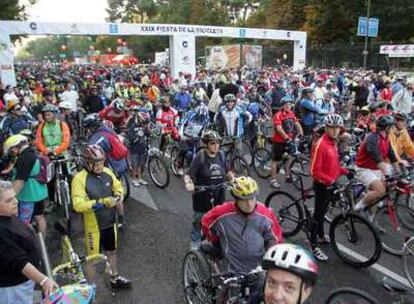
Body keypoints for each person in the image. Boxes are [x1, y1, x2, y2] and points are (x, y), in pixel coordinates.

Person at [201, 176, 283, 303]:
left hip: (258, 269)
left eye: (252, 198)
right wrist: (215, 242)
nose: (249, 203)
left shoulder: (266, 214)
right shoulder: (222, 212)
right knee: (224, 299)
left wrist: (273, 255)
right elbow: (206, 222)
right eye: (244, 200)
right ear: (236, 199)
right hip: (232, 269)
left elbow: (275, 238)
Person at [71, 144, 132, 289]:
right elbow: (77, 204)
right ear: (87, 163)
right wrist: (101, 203)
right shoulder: (79, 179)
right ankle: (91, 289)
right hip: (94, 227)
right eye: (96, 163)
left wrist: (118, 194)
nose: (99, 166)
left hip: (110, 222)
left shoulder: (107, 172)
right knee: (93, 259)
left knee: (112, 252)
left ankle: (114, 278)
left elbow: (118, 186)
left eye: (101, 162)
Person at [0, 180, 57, 303]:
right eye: (8, 200)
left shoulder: (8, 215)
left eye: (14, 197)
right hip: (13, 287)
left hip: (23, 282)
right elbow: (18, 261)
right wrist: (43, 280)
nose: (16, 202)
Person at [184, 130, 233, 249]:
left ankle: (215, 240)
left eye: (217, 143)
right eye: (212, 143)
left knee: (219, 218)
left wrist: (233, 180)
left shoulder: (221, 155)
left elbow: (228, 172)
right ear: (206, 144)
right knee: (199, 220)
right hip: (202, 194)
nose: (216, 146)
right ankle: (195, 242)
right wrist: (188, 183)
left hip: (219, 192)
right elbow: (189, 174)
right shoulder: (200, 156)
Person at [309, 114, 349, 261]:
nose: (335, 130)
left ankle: (320, 235)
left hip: (331, 183)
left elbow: (334, 165)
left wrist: (346, 171)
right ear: (326, 128)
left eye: (337, 128)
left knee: (324, 211)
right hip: (322, 185)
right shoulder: (321, 145)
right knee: (318, 215)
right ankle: (313, 244)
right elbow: (314, 171)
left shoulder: (333, 142)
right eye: (332, 128)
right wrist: (329, 180)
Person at [354, 115, 401, 218]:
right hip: (364, 168)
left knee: (380, 196)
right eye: (391, 127)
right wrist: (388, 175)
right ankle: (358, 207)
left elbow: (392, 156)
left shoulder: (386, 137)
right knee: (380, 190)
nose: (393, 129)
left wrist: (399, 172)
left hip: (376, 169)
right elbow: (377, 158)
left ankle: (371, 221)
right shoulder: (372, 137)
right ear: (387, 127)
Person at [3, 135, 48, 236]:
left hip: (28, 195)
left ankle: (31, 246)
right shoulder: (32, 152)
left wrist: (8, 198)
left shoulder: (25, 157)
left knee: (24, 224)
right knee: (39, 217)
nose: (12, 153)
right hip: (39, 192)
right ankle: (42, 245)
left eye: (11, 150)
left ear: (16, 146)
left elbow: (20, 181)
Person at [270, 96, 303, 189]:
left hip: (289, 139)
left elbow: (297, 124)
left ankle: (288, 175)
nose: (288, 106)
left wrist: (301, 133)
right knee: (275, 160)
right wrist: (286, 137)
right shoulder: (278, 115)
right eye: (286, 104)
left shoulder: (291, 114)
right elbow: (279, 128)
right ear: (282, 105)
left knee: (290, 157)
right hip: (279, 141)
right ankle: (273, 180)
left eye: (290, 104)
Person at [126, 106, 151, 187]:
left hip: (142, 147)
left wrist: (147, 130)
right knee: (135, 164)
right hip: (134, 148)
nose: (144, 125)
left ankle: (140, 178)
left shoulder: (144, 126)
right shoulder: (133, 126)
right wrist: (137, 137)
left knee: (141, 164)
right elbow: (130, 137)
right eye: (144, 123)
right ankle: (134, 179)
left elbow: (148, 134)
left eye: (146, 123)